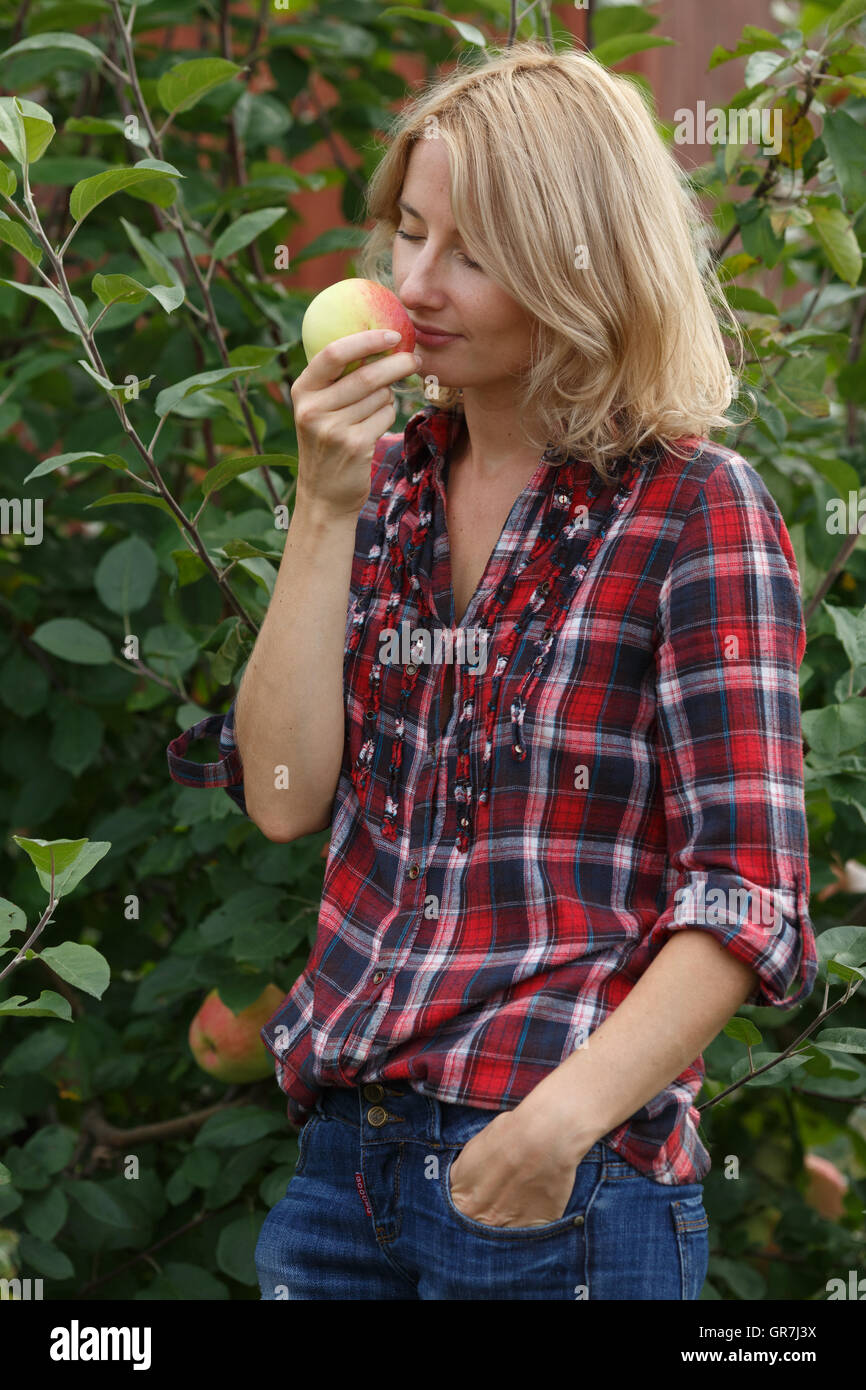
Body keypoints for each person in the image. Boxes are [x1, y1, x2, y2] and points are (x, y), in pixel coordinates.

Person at [166, 40, 818, 1300]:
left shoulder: (693, 512)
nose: (412, 283)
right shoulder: (390, 489)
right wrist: (319, 504)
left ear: (582, 265)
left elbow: (746, 892)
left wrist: (554, 1125)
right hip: (344, 1171)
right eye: (404, 233)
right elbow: (286, 793)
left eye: (467, 252)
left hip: (558, 1185)